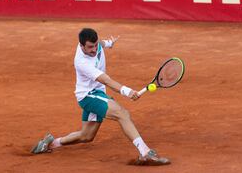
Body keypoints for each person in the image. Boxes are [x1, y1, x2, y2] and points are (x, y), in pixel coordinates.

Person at [31, 28, 170, 165]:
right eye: (90, 47)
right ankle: (145, 152)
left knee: (86, 136)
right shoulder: (82, 62)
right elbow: (106, 80)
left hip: (97, 93)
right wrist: (127, 92)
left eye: (95, 45)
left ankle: (49, 144)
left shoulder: (95, 44)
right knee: (122, 113)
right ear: (81, 46)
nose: (94, 49)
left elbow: (100, 44)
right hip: (88, 95)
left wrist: (109, 44)